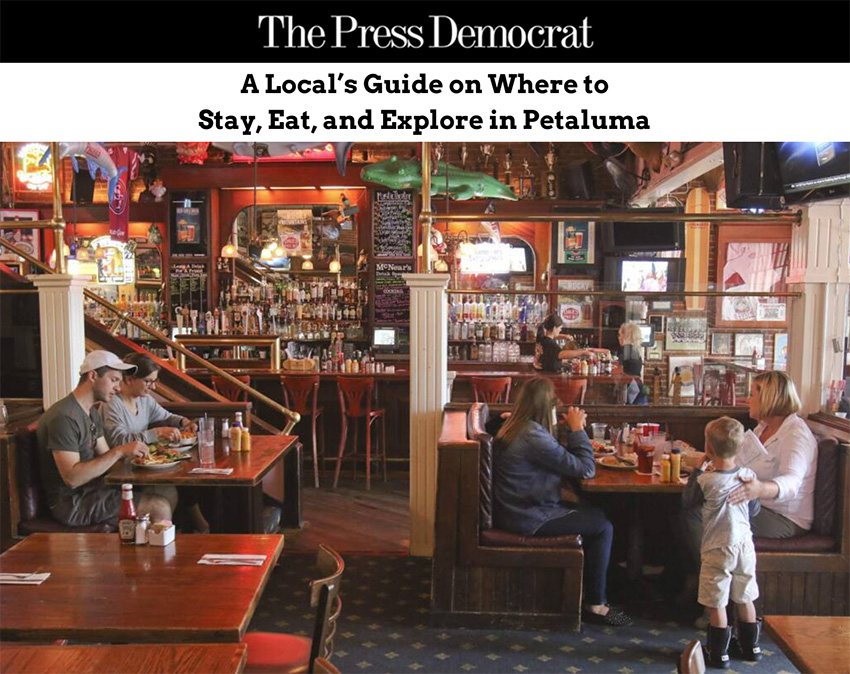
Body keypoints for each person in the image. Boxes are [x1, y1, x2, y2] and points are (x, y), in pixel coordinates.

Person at [492, 376, 632, 626]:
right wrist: (578, 430)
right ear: (547, 406)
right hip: (529, 517)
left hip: (517, 509)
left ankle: (603, 585)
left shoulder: (518, 425)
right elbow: (586, 469)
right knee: (603, 526)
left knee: (602, 513)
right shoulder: (531, 435)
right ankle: (595, 604)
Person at [679, 371, 817, 624]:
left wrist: (758, 489)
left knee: (696, 514)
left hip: (784, 517)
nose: (747, 398)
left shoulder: (796, 435)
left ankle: (713, 594)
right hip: (754, 505)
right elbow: (735, 464)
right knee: (693, 510)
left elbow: (792, 483)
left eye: (753, 393)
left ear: (770, 398)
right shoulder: (764, 428)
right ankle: (701, 582)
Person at [36, 350, 175, 528]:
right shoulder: (63, 417)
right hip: (72, 503)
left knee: (167, 491)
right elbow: (72, 478)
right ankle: (154, 553)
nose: (118, 387)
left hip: (96, 489)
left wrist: (148, 463)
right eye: (114, 380)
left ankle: (145, 549)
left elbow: (108, 460)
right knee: (158, 506)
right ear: (93, 376)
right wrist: (119, 451)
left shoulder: (91, 412)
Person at [682, 417, 762, 669]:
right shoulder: (748, 476)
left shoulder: (706, 481)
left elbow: (688, 503)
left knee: (717, 601)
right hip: (745, 546)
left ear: (708, 447)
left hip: (717, 547)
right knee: (745, 596)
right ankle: (752, 647)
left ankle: (718, 652)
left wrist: (697, 470)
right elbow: (755, 508)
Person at [103, 353, 209, 534]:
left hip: (143, 466)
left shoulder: (145, 400)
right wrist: (156, 433)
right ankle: (178, 532)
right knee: (175, 484)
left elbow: (167, 416)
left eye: (154, 381)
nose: (153, 387)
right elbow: (118, 442)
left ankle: (179, 531)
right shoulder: (112, 404)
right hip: (123, 471)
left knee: (184, 475)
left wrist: (185, 422)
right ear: (129, 379)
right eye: (148, 381)